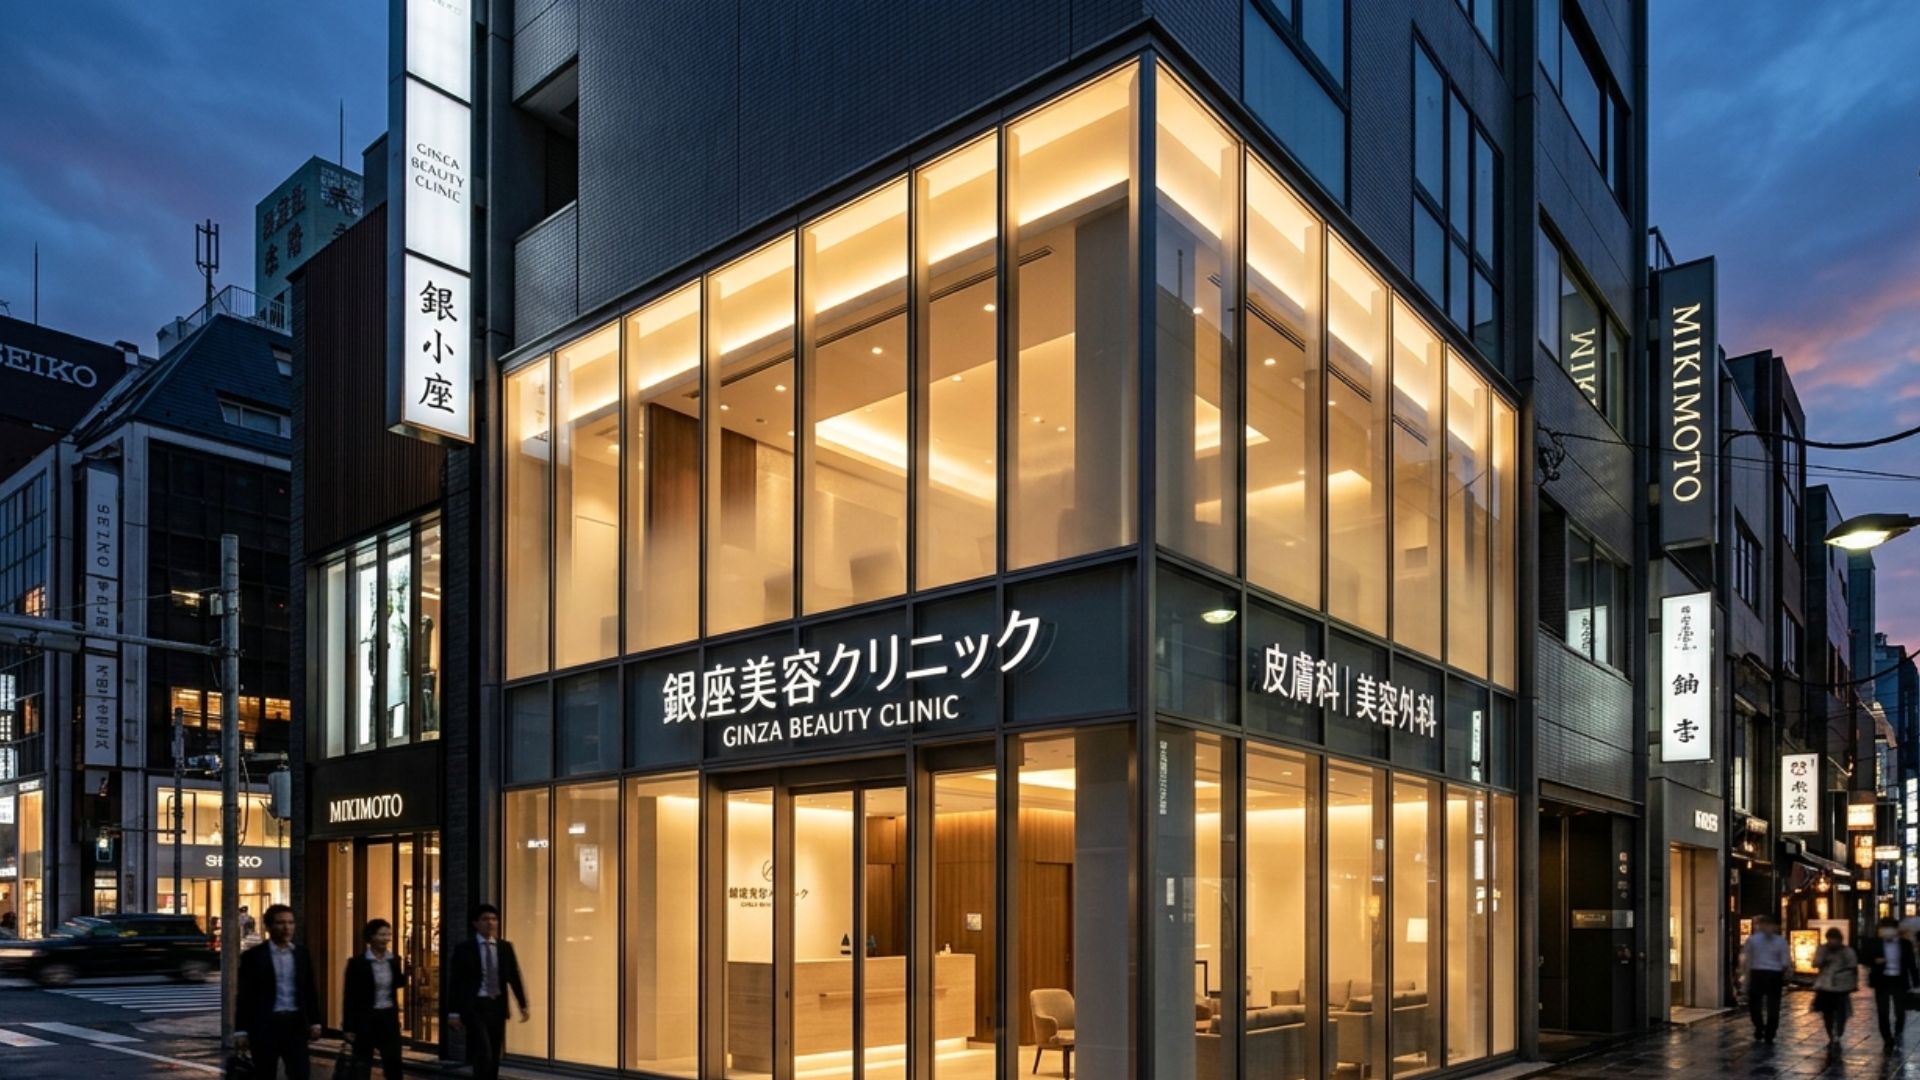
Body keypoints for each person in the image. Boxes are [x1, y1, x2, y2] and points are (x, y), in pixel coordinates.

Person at [235, 903, 322, 1079]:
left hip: (295, 1024)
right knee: (265, 1073)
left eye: (290, 923)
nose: (286, 928)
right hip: (265, 1025)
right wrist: (241, 1031)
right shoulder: (253, 957)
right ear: (268, 927)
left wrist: (315, 1022)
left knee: (300, 1073)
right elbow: (245, 996)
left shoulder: (301, 954)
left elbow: (309, 990)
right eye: (280, 923)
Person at [447, 903, 529, 1080]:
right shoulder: (464, 949)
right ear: (475, 923)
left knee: (493, 1054)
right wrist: (453, 1012)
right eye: (485, 919)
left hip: (497, 1006)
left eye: (493, 919)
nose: (490, 923)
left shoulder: (505, 947)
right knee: (484, 1053)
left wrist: (522, 1004)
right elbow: (456, 982)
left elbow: (514, 976)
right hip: (475, 1006)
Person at [343, 918, 408, 1080]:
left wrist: (408, 969)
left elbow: (399, 983)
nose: (386, 938)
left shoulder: (394, 960)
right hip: (366, 1019)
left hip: (388, 1017)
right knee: (362, 1066)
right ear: (371, 937)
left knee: (393, 1064)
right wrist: (348, 1026)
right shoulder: (357, 963)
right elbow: (350, 995)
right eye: (381, 934)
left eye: (388, 934)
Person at [1869, 916, 1919, 1048]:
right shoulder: (1875, 943)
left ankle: (1897, 1033)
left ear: (1896, 930)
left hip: (1899, 981)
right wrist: (1874, 960)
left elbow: (1911, 964)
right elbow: (1864, 957)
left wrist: (1916, 983)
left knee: (1900, 1011)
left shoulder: (1905, 944)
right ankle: (1887, 1038)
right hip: (1882, 981)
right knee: (1882, 1011)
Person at [1743, 914, 1790, 1042]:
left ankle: (1760, 1028)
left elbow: (1747, 961)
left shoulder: (1752, 940)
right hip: (1773, 974)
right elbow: (1785, 961)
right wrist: (1786, 972)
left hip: (1758, 973)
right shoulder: (1780, 941)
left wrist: (1745, 979)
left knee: (1756, 1005)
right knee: (1772, 1005)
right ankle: (1769, 1031)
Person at [1811, 927, 1859, 1049]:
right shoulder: (1822, 949)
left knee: (1841, 1012)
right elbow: (1815, 963)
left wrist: (1853, 982)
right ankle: (1831, 1034)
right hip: (1825, 986)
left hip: (1841, 986)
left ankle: (1838, 1031)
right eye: (1830, 939)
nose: (1832, 942)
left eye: (1835, 939)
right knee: (1827, 1013)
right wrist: (1823, 960)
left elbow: (1853, 967)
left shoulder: (1847, 951)